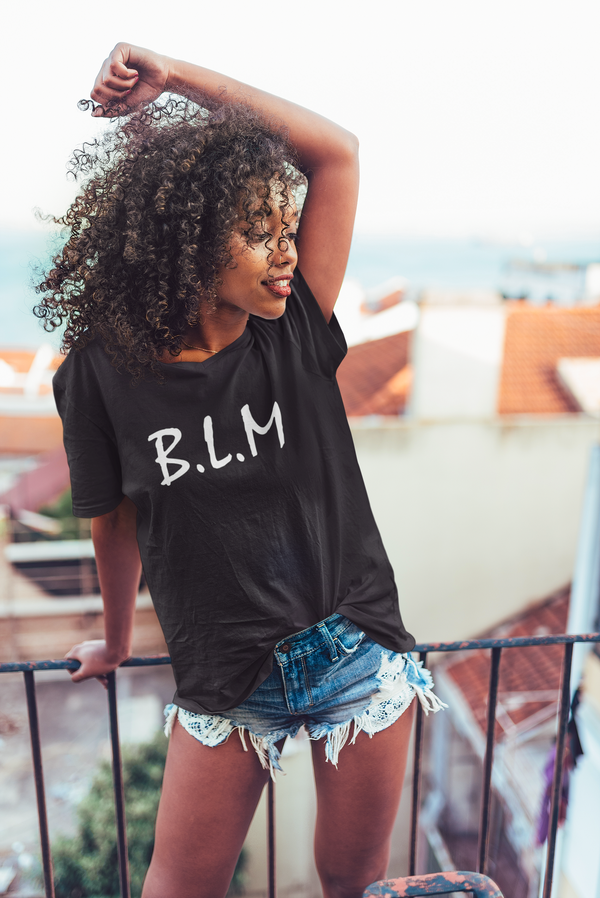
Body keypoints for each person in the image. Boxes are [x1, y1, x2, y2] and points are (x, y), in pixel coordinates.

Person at [36, 43, 445, 898]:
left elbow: (334, 150)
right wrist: (115, 642)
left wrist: (176, 80)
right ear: (186, 242)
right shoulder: (99, 375)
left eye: (285, 229)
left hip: (354, 650)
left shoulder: (293, 324)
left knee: (351, 882)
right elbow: (110, 518)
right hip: (224, 675)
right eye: (257, 233)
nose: (285, 252)